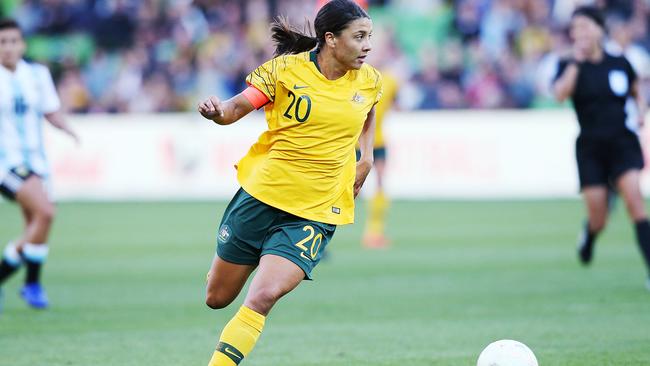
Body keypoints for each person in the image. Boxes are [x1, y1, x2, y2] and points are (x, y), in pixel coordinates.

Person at [197, 1, 382, 364]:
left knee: (263, 296)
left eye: (369, 37)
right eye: (359, 37)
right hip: (262, 196)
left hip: (315, 211)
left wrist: (368, 155)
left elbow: (367, 110)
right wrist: (217, 113)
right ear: (330, 39)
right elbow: (235, 108)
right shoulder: (283, 71)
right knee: (217, 298)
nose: (367, 46)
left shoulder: (369, 80)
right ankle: (240, 256)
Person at [553, 7, 650, 289]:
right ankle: (590, 234)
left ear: (598, 29)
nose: (579, 33)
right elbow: (560, 94)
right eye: (575, 29)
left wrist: (641, 110)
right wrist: (576, 62)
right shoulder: (569, 64)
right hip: (591, 147)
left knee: (635, 202)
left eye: (584, 27)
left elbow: (635, 91)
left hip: (622, 141)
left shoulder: (619, 63)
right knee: (599, 217)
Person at [0, 18, 79, 310]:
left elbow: (51, 112)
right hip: (6, 164)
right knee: (46, 212)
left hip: (37, 161)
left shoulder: (37, 75)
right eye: (2, 43)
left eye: (12, 41)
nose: (7, 48)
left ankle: (13, 280)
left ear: (22, 45)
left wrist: (67, 129)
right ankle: (32, 284)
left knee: (35, 225)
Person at [360, 68, 398, 249]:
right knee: (349, 189)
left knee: (380, 184)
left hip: (379, 140)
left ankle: (375, 232)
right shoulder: (358, 77)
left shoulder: (391, 81)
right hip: (358, 142)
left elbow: (395, 104)